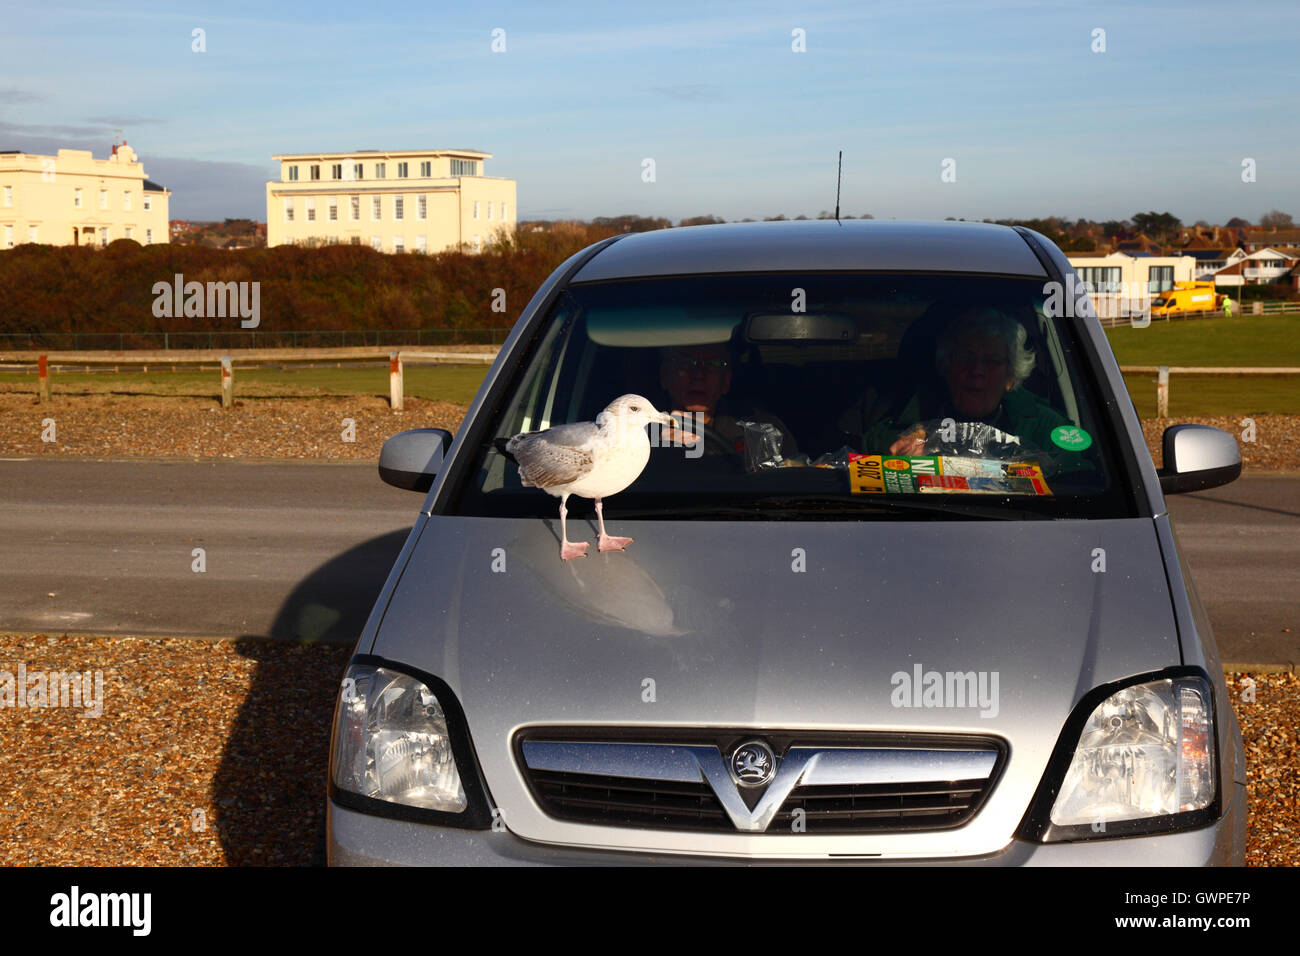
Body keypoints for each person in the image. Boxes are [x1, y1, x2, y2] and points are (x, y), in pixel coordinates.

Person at [862, 307, 1072, 458]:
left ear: (1010, 377)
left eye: (992, 361)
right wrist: (896, 452)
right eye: (966, 358)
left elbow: (1078, 481)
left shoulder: (1045, 428)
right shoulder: (908, 419)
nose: (977, 371)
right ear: (947, 367)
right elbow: (868, 450)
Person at [655, 342, 798, 458]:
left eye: (713, 364)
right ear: (664, 376)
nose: (698, 374)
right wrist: (660, 453)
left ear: (726, 381)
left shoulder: (763, 431)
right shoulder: (639, 431)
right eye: (685, 363)